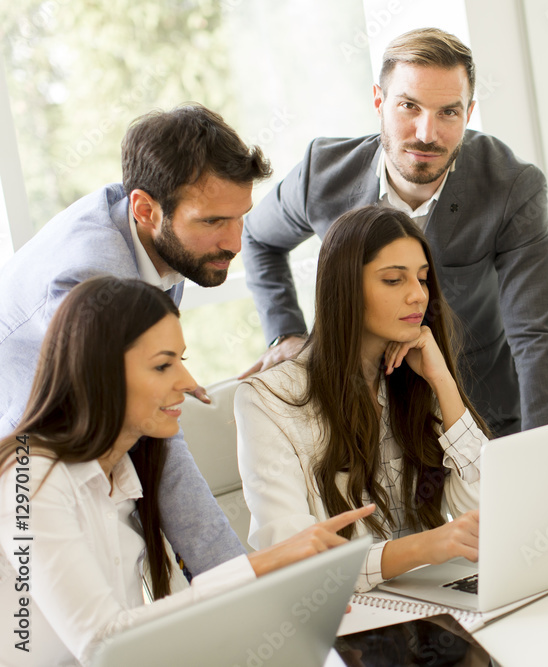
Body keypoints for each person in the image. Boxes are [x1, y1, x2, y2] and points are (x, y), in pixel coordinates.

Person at [0, 277, 374, 666]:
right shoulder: (27, 475)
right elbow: (102, 644)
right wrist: (264, 564)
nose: (189, 384)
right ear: (98, 372)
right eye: (163, 365)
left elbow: (135, 640)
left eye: (183, 361)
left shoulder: (126, 472)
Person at [240, 27, 548, 436]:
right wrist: (285, 334)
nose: (426, 133)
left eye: (448, 112)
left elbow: (537, 337)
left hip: (477, 412)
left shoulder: (511, 187)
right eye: (409, 106)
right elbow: (258, 238)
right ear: (379, 101)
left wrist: (546, 453)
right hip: (357, 415)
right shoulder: (322, 174)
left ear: (468, 114)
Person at [0, 104, 269, 579]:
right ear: (146, 209)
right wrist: (241, 577)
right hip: (26, 478)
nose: (236, 243)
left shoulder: (159, 235)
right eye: (213, 222)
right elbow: (153, 429)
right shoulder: (90, 278)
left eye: (240, 217)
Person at [235, 206, 488, 592]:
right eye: (393, 280)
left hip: (436, 600)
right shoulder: (268, 400)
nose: (418, 296)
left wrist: (444, 384)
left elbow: (490, 513)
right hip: (347, 621)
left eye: (422, 279)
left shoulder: (417, 376)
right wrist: (425, 546)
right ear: (345, 287)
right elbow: (294, 561)